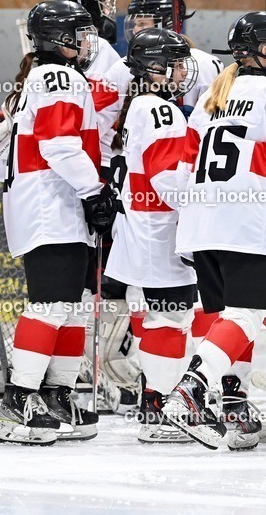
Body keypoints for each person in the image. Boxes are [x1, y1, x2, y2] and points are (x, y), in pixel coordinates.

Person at [163, 11, 266, 451]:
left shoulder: (212, 95)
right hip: (248, 222)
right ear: (263, 50)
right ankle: (190, 391)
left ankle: (233, 403)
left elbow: (182, 171)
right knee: (246, 314)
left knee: (225, 318)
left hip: (201, 223)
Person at [0, 0, 118, 445]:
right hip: (50, 205)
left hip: (61, 205)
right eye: (80, 35)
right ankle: (18, 399)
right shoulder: (59, 77)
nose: (88, 43)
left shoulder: (50, 76)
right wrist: (95, 190)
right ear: (58, 39)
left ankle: (56, 394)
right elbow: (59, 145)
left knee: (75, 304)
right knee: (50, 303)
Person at [104, 27, 198, 443]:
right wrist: (203, 208)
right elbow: (168, 180)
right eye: (174, 64)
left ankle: (158, 402)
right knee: (170, 316)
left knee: (165, 315)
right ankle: (160, 410)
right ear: (153, 68)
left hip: (142, 226)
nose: (182, 72)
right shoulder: (160, 110)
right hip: (160, 229)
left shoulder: (140, 105)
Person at [55, 0, 122, 79]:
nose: (107, 10)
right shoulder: (101, 47)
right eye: (103, 4)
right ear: (89, 6)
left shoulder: (53, 42)